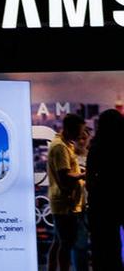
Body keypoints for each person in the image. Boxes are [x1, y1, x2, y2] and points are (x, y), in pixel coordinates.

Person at [50, 113, 88, 271]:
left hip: (66, 202)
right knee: (66, 244)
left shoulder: (66, 144)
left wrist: (79, 171)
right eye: (78, 132)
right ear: (69, 129)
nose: (81, 135)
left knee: (60, 242)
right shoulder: (60, 147)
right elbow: (64, 176)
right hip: (65, 203)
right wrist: (85, 174)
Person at [89, 109, 124, 271]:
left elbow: (90, 178)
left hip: (101, 202)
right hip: (120, 198)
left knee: (106, 246)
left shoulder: (96, 146)